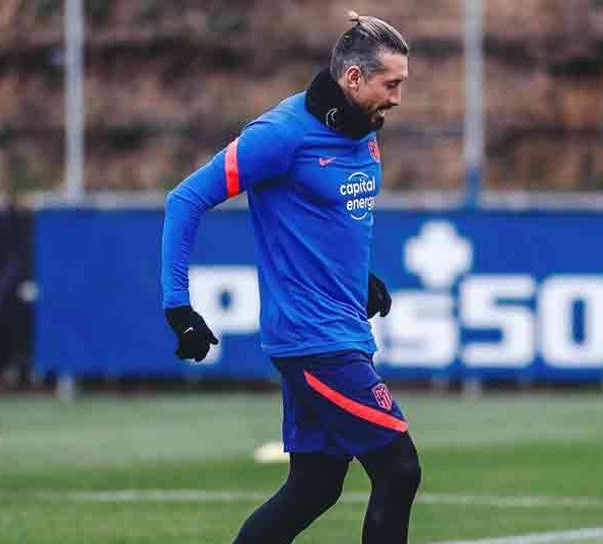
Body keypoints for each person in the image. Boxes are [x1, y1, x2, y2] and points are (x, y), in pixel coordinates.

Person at [160, 11, 420, 543]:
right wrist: (178, 307)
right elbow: (185, 199)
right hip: (314, 339)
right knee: (399, 470)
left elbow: (325, 218)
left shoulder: (362, 131)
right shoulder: (280, 136)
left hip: (339, 328)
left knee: (316, 484)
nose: (397, 97)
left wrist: (359, 276)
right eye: (390, 84)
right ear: (353, 79)